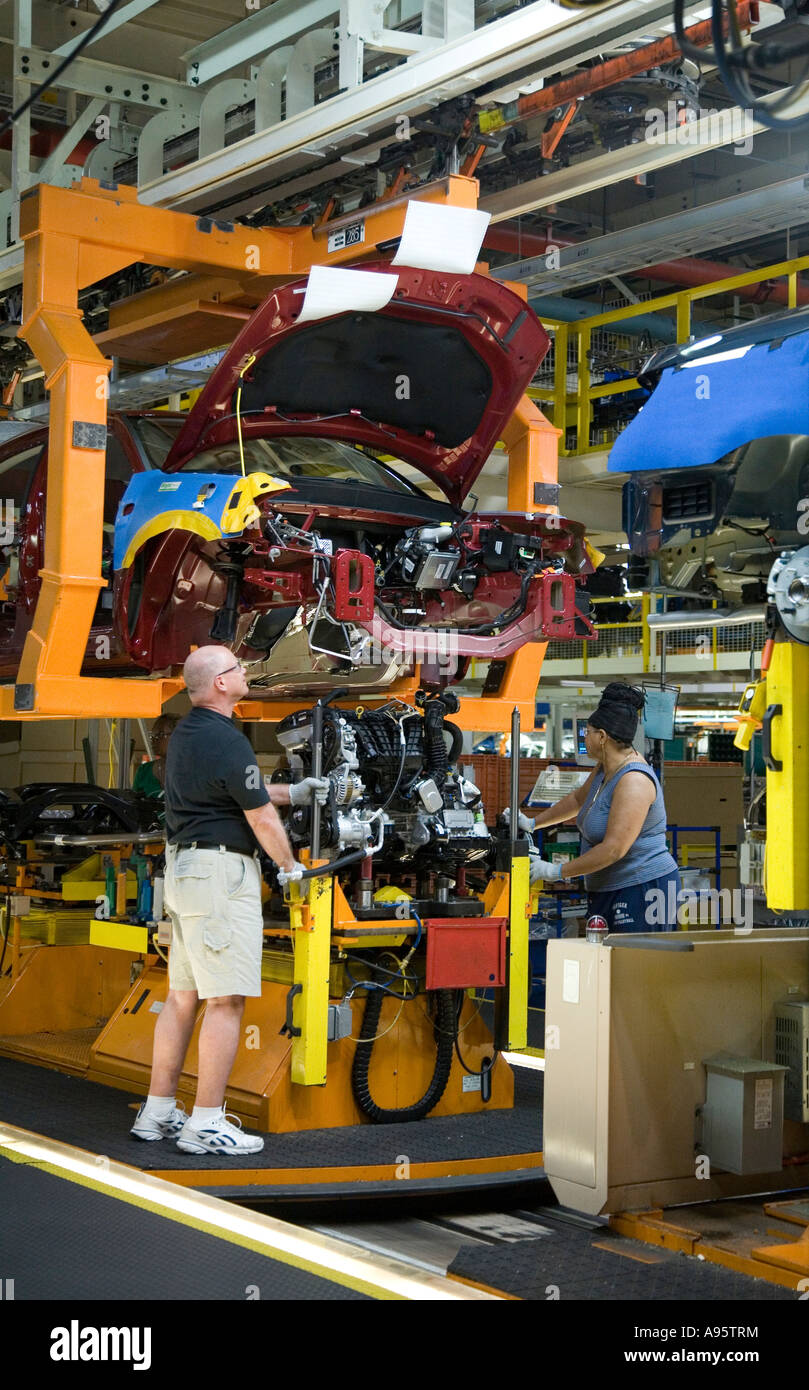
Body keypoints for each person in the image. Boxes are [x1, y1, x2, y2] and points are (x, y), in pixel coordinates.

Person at [130, 645, 327, 1156]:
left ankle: (157, 1112)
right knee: (226, 1001)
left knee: (183, 997)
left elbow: (245, 790)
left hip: (186, 872)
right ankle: (206, 1123)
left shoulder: (192, 736)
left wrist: (295, 792)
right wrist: (291, 868)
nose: (245, 673)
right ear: (220, 683)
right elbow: (258, 817)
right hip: (221, 876)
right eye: (238, 668)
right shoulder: (226, 738)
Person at [524, 682, 681, 932]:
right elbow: (578, 800)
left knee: (636, 966)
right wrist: (532, 823)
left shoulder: (634, 781)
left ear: (602, 736)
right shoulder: (606, 768)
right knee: (607, 965)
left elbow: (614, 849)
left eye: (587, 732)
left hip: (642, 888)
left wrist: (557, 871)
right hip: (608, 887)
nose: (584, 738)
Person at [132, 714, 178, 798]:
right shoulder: (144, 771)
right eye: (152, 735)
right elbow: (133, 805)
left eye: (160, 735)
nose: (153, 740)